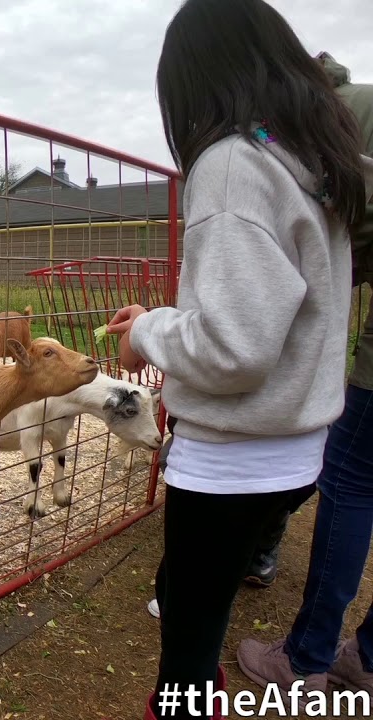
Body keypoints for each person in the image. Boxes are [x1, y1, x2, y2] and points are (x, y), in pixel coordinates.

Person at [104, 1, 372, 717]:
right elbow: (275, 313)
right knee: (209, 602)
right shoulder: (316, 164)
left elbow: (234, 347)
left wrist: (149, 332)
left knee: (184, 659)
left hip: (230, 462)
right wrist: (163, 320)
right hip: (296, 455)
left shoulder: (229, 166)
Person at [235, 50, 373, 693]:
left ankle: (307, 656)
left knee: (346, 477)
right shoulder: (357, 104)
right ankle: (368, 656)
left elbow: (333, 230)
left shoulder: (329, 124)